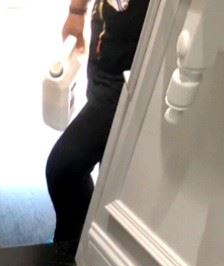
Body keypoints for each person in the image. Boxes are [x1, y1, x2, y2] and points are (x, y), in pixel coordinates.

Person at [46, 0, 150, 244]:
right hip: (104, 54)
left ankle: (75, 248)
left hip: (129, 76)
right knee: (106, 165)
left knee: (63, 169)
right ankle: (82, 242)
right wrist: (77, 11)